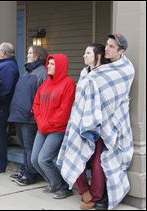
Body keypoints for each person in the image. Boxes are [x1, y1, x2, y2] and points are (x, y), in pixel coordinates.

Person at [57, 34, 135, 210]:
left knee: (101, 160)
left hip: (109, 124)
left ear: (121, 51)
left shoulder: (124, 69)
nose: (108, 48)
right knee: (75, 153)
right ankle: (86, 192)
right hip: (84, 121)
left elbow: (117, 98)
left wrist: (99, 118)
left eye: (112, 47)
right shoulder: (87, 73)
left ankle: (97, 196)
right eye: (107, 45)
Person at [31, 54, 76, 199]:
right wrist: (40, 120)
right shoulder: (46, 83)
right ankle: (54, 183)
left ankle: (63, 187)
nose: (48, 66)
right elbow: (36, 103)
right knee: (34, 160)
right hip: (42, 128)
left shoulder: (69, 84)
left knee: (44, 159)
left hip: (57, 129)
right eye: (48, 64)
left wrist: (48, 123)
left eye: (52, 64)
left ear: (60, 66)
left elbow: (65, 111)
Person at [8, 46, 48, 186]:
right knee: (24, 146)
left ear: (39, 55)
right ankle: (25, 169)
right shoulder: (27, 72)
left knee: (29, 146)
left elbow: (44, 97)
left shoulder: (43, 72)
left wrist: (35, 112)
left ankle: (31, 174)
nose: (28, 55)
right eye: (28, 52)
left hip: (30, 118)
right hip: (19, 115)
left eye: (31, 52)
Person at [0, 42, 19, 174]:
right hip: (1, 106)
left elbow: (4, 89)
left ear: (4, 53)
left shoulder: (7, 66)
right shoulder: (8, 65)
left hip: (1, 107)